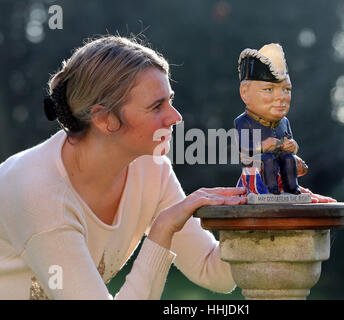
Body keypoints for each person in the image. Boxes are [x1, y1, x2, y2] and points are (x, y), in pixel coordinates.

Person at [0, 35, 247, 299]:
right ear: (105, 119)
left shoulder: (152, 170)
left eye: (170, 100)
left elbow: (213, 271)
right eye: (156, 106)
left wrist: (260, 202)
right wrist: (163, 229)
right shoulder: (40, 194)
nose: (175, 117)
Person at [235, 43, 300, 195]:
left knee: (289, 159)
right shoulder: (244, 122)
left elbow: (289, 142)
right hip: (257, 164)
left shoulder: (284, 122)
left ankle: (292, 189)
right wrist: (262, 146)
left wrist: (292, 146)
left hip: (279, 158)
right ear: (245, 93)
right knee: (268, 160)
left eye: (286, 89)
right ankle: (271, 191)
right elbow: (244, 151)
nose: (281, 97)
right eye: (269, 89)